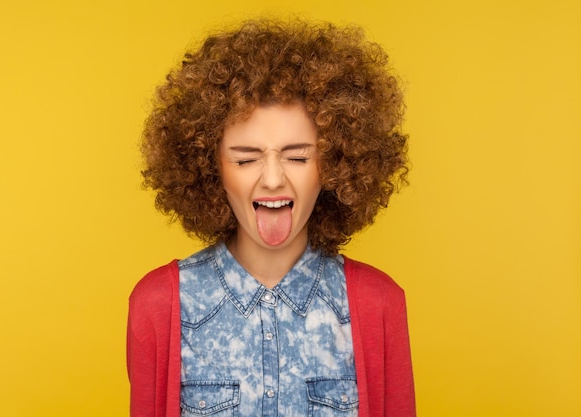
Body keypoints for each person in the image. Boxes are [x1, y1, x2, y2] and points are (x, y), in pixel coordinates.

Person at [127, 18, 415, 417]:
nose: (274, 179)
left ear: (334, 163)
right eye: (246, 158)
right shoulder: (159, 304)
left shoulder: (378, 304)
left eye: (298, 157)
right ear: (210, 168)